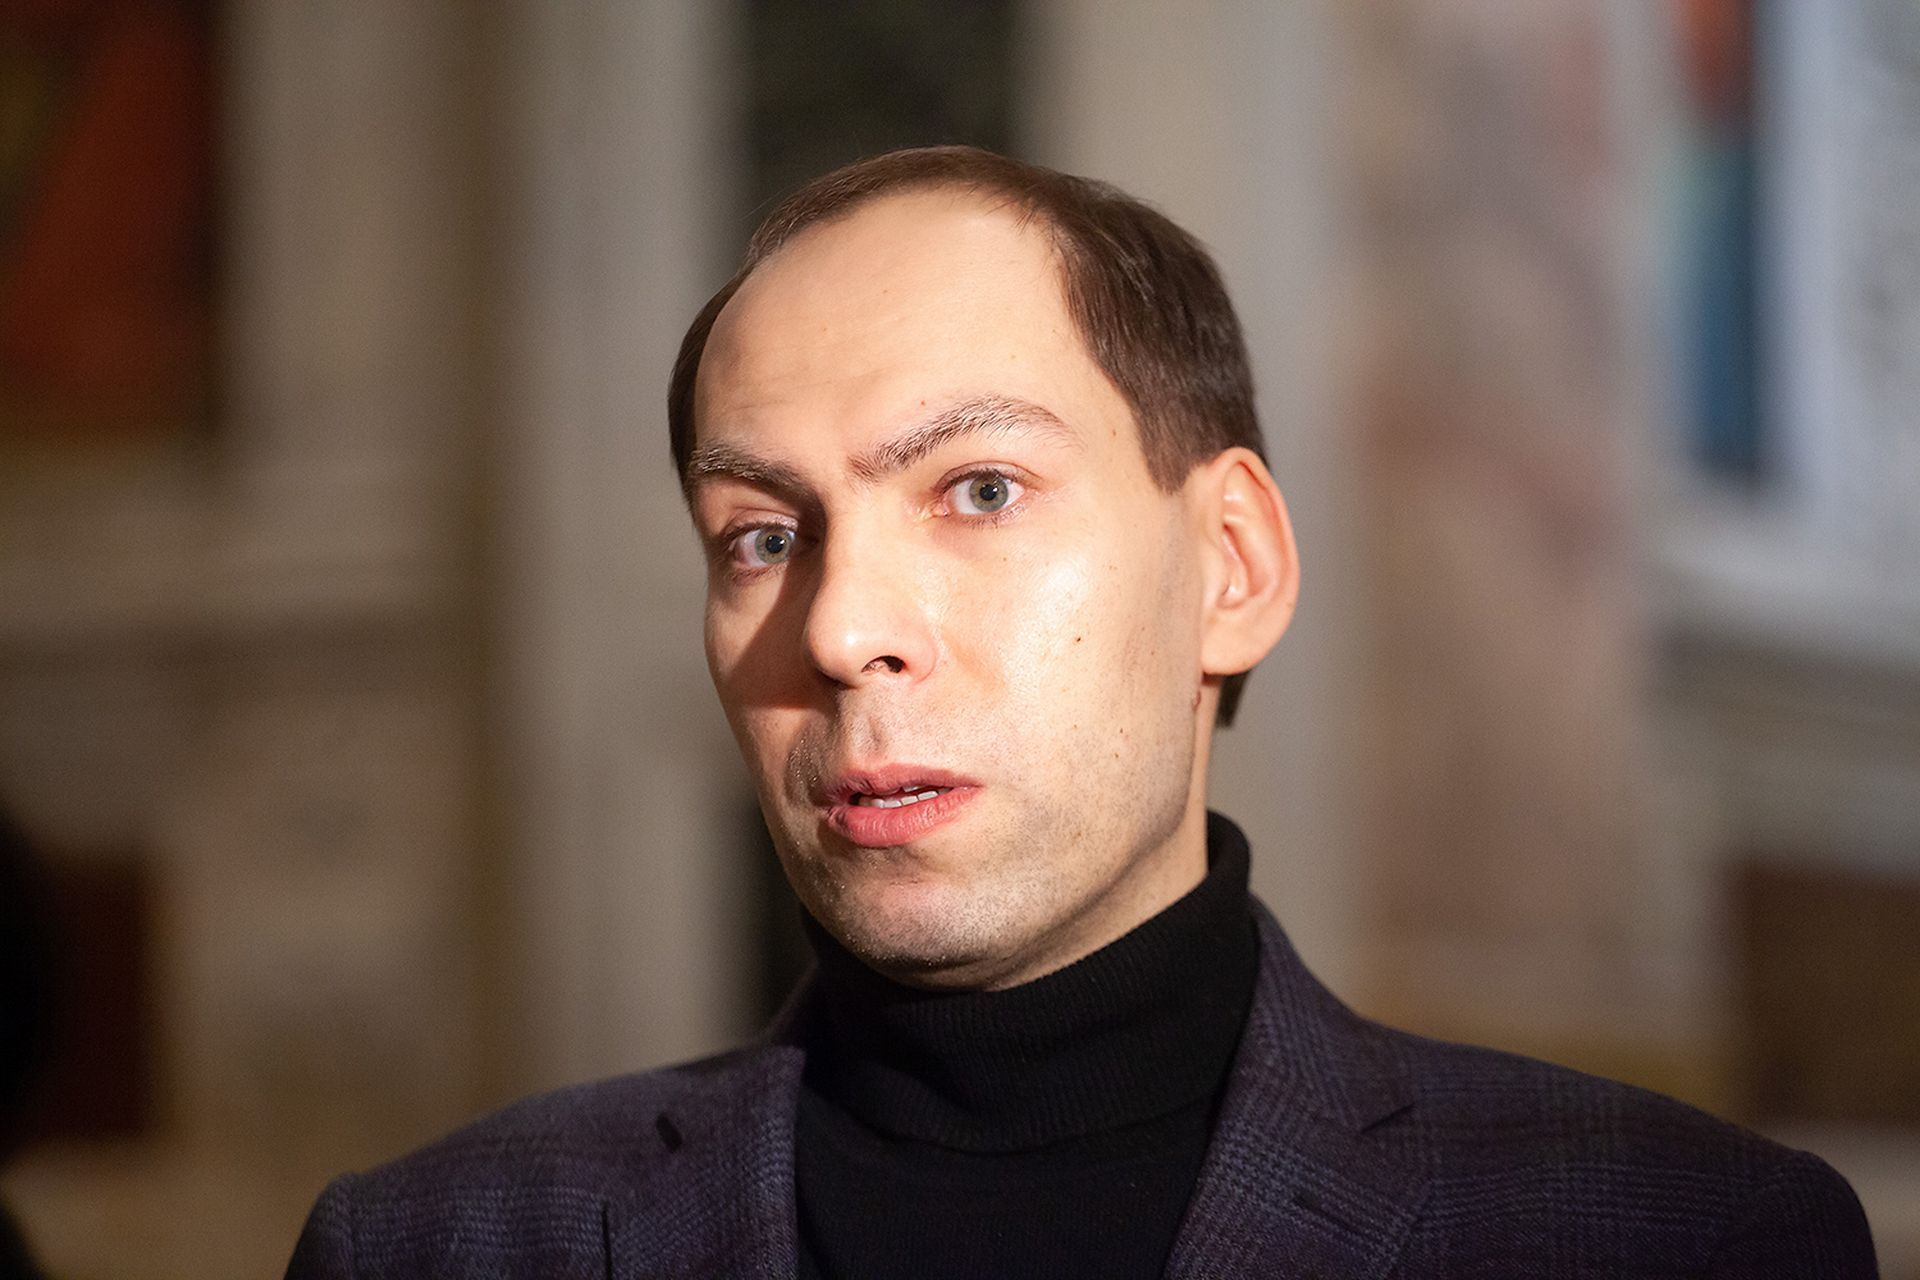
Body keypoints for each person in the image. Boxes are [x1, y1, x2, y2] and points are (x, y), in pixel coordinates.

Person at [287, 146, 1877, 1278]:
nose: (838, 629)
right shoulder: (437, 1247)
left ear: (1231, 567)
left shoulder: (1673, 1237)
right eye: (762, 538)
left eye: (979, 490)